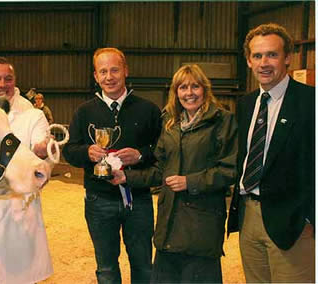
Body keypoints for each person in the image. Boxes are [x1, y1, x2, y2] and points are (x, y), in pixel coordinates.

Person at [111, 64, 237, 283]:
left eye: (195, 86)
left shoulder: (222, 121)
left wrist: (191, 182)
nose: (189, 93)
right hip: (169, 224)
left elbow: (230, 169)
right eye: (183, 87)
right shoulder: (171, 123)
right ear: (176, 92)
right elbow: (161, 170)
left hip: (201, 226)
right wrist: (127, 178)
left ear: (204, 89)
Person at [62, 47, 162, 284]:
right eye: (103, 71)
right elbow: (69, 151)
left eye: (114, 70)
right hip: (99, 200)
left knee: (143, 266)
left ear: (125, 71)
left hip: (138, 200)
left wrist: (140, 155)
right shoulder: (84, 111)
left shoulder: (148, 110)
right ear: (95, 76)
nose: (109, 77)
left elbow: (162, 150)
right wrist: (86, 152)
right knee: (106, 268)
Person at [228, 23, 315, 283]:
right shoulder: (245, 104)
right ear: (248, 61)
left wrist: (310, 218)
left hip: (294, 224)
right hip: (249, 217)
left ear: (287, 57)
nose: (264, 63)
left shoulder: (311, 102)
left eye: (272, 55)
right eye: (257, 56)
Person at [0, 57, 54, 284]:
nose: (2, 84)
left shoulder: (32, 115)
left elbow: (41, 158)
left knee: (20, 277)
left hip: (20, 212)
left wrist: (42, 150)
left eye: (8, 78)